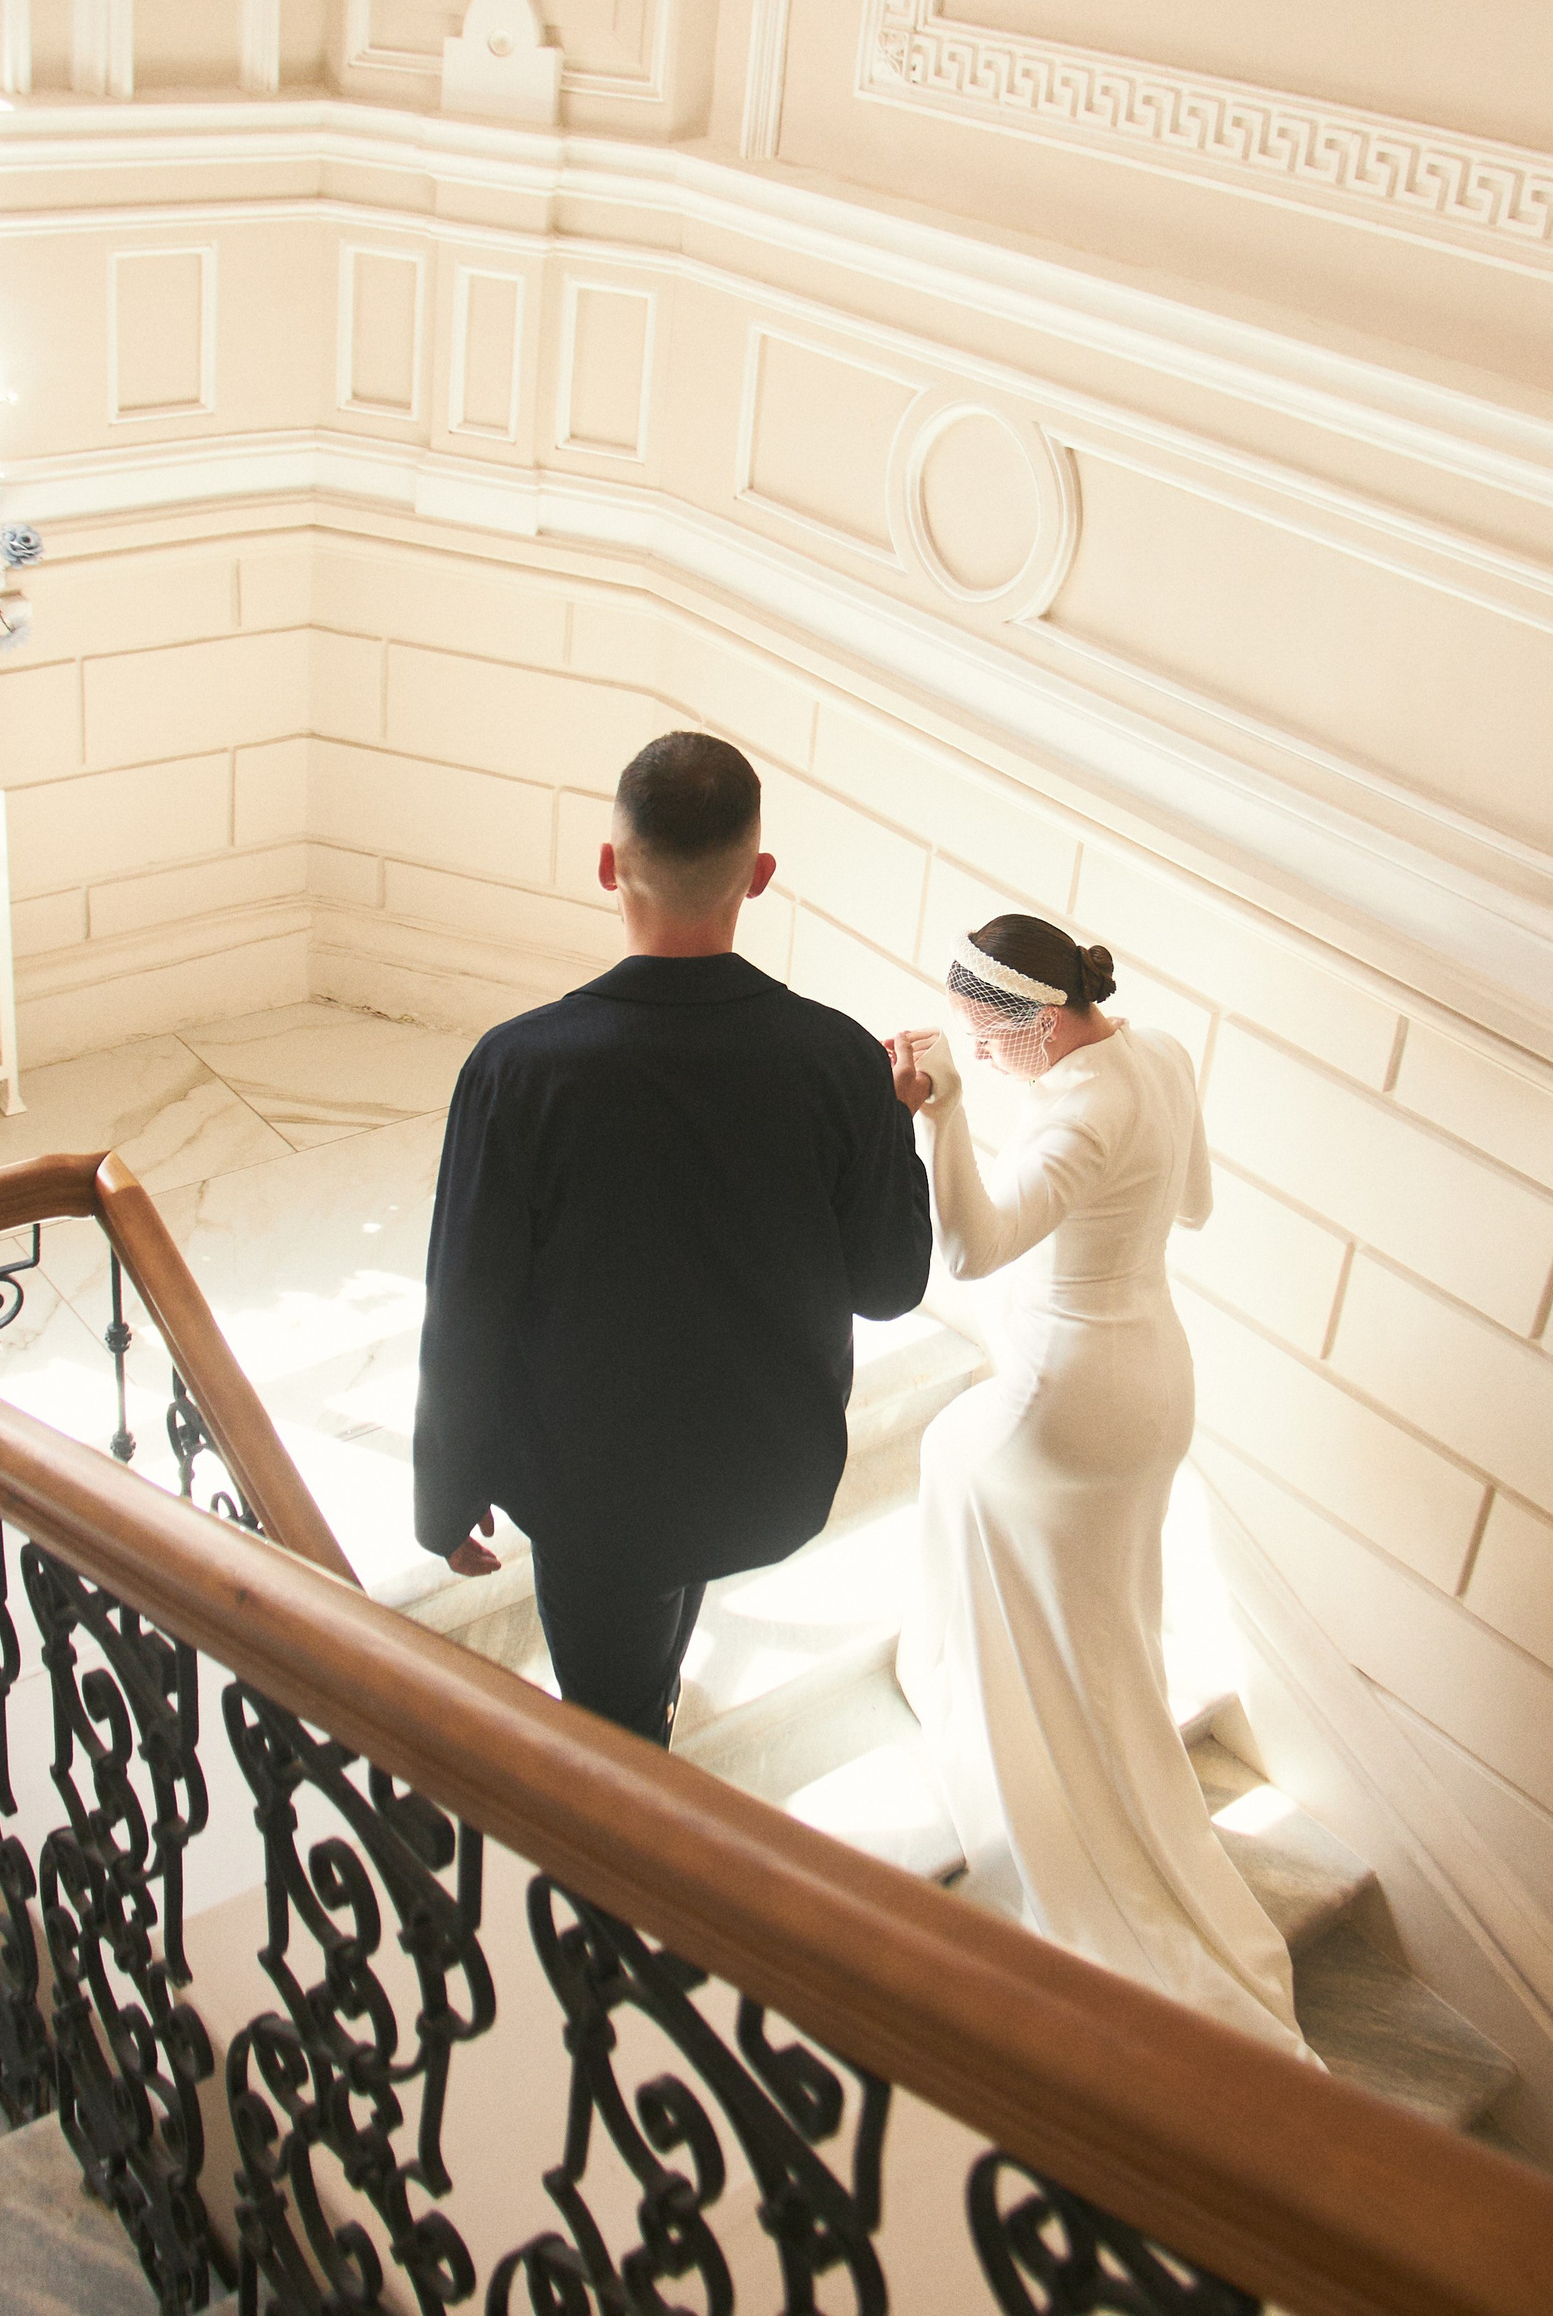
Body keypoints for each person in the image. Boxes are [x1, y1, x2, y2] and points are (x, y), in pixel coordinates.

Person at [413, 731, 932, 1747]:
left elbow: (466, 1304)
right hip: (763, 1475)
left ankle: (623, 1793)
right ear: (760, 877)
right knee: (649, 1642)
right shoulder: (838, 1062)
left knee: (606, 1738)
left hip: (592, 1491)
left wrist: (446, 1491)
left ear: (609, 866)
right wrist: (893, 1121)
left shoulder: (519, 1069)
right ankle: (647, 1707)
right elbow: (890, 1284)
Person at [884, 914, 1314, 2060]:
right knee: (1085, 1588)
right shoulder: (1158, 1053)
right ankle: (1042, 1717)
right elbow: (1195, 1205)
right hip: (1157, 1378)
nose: (983, 1058)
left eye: (989, 1038)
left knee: (966, 1467)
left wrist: (943, 1119)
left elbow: (971, 1251)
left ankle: (1030, 1754)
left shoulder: (1080, 1110)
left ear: (1040, 1019)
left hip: (1070, 1392)